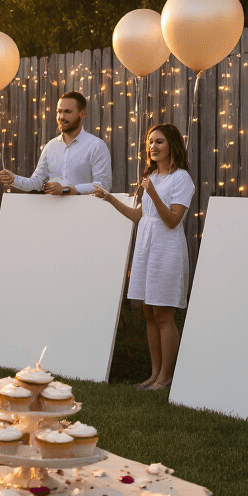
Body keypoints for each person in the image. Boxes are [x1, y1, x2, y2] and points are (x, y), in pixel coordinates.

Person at [93, 123, 193, 392]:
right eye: (150, 142)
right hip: (146, 248)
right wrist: (109, 200)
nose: (153, 146)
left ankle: (166, 377)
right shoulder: (152, 177)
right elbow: (140, 217)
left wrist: (153, 194)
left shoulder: (181, 178)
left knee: (163, 314)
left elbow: (172, 220)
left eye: (159, 141)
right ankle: (154, 374)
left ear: (172, 145)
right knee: (149, 313)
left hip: (167, 249)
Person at [0, 91, 111, 195]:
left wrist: (67, 190)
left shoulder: (96, 146)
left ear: (83, 113)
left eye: (67, 112)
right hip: (51, 212)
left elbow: (103, 185)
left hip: (82, 213)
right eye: (59, 111)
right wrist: (14, 180)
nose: (61, 117)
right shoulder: (51, 146)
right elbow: (37, 182)